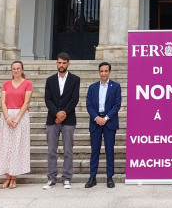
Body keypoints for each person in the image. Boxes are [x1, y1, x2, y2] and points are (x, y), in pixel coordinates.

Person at [43, 52, 80, 189]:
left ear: (68, 64)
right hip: (52, 120)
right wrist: (57, 113)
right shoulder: (50, 80)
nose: (61, 65)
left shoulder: (75, 79)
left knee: (68, 151)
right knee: (51, 151)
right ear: (56, 63)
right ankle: (51, 178)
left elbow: (74, 99)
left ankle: (66, 178)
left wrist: (63, 114)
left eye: (64, 63)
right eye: (59, 62)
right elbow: (48, 99)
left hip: (69, 119)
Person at [0, 60, 33, 189]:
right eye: (13, 69)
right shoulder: (6, 84)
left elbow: (26, 103)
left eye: (18, 68)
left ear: (22, 69)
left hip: (21, 117)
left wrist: (16, 118)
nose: (16, 71)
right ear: (11, 70)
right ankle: (7, 177)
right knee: (6, 146)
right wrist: (7, 117)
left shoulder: (28, 83)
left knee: (17, 146)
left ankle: (14, 177)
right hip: (7, 116)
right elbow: (3, 102)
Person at [85, 62, 122, 189]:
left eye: (106, 71)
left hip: (109, 122)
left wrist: (105, 118)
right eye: (101, 71)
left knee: (109, 151)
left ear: (110, 72)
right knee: (94, 151)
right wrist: (96, 118)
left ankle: (109, 177)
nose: (104, 73)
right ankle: (92, 177)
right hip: (95, 122)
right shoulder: (92, 87)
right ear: (99, 72)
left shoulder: (116, 86)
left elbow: (117, 105)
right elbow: (88, 105)